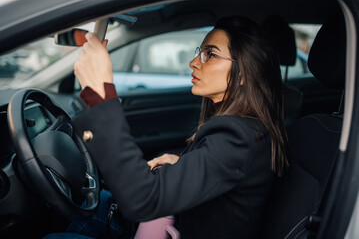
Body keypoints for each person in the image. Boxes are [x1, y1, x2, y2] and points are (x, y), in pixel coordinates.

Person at [44, 16, 288, 239]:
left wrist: (99, 94)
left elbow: (143, 199)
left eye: (210, 54)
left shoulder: (238, 137)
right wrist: (184, 163)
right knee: (95, 205)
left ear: (244, 73)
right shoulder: (244, 131)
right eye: (199, 52)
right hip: (169, 223)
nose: (193, 62)